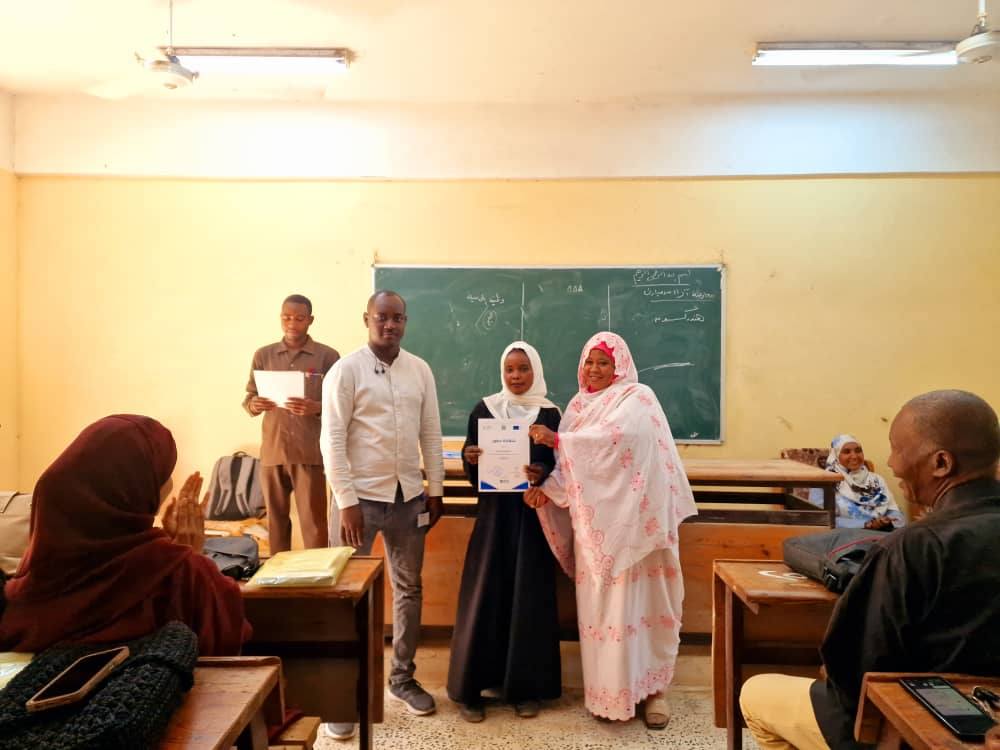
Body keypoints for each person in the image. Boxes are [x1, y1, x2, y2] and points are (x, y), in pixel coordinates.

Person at [740, 389, 1000, 750]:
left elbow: (851, 671)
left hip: (914, 728)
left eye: (897, 448)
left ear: (941, 463)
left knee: (756, 692)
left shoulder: (913, 547)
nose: (890, 463)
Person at [524, 331, 698, 728]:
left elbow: (623, 440)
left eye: (604, 362)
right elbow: (570, 468)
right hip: (597, 537)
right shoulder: (577, 407)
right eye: (589, 361)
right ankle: (608, 694)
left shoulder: (637, 397)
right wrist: (545, 490)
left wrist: (560, 440)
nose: (595, 369)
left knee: (644, 609)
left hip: (639, 532)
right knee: (605, 615)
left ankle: (654, 693)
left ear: (619, 366)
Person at [0, 414, 251, 656]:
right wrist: (190, 559)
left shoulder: (27, 582)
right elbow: (224, 646)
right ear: (137, 487)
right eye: (163, 473)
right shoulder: (176, 574)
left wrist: (172, 551)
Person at [320, 290, 445, 741]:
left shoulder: (420, 370)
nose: (390, 325)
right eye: (381, 317)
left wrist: (435, 489)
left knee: (409, 588)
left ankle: (402, 680)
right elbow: (332, 439)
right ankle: (344, 695)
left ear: (405, 321)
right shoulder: (345, 370)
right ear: (367, 319)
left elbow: (430, 431)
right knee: (346, 596)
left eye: (397, 318)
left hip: (408, 498)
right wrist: (346, 501)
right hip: (359, 502)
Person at [447, 342, 563, 722]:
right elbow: (473, 463)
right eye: (510, 369)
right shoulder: (484, 409)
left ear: (536, 371)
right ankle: (471, 690)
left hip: (533, 521)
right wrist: (469, 458)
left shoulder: (550, 414)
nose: (516, 376)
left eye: (523, 369)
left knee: (527, 599)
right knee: (485, 596)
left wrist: (541, 474)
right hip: (493, 519)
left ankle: (524, 690)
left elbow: (561, 465)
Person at [244, 294, 340, 553]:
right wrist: (255, 405)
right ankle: (278, 571)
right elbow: (249, 398)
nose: (292, 323)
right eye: (287, 317)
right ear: (280, 318)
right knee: (275, 522)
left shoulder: (327, 356)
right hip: (273, 451)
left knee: (314, 523)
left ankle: (317, 570)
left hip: (309, 452)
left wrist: (316, 407)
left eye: (299, 318)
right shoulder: (264, 355)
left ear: (310, 320)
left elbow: (341, 404)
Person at [819, 434, 906, 530]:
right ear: (836, 456)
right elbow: (822, 519)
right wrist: (866, 524)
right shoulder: (825, 481)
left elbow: (893, 510)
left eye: (858, 450)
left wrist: (890, 521)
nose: (854, 456)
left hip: (881, 532)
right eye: (847, 452)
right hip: (845, 534)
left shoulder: (876, 480)